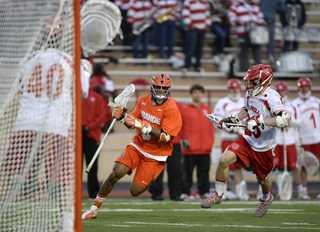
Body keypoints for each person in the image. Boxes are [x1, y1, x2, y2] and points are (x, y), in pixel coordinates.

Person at [0, 15, 89, 230]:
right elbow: (82, 93)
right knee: (63, 178)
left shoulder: (27, 59)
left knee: (6, 174)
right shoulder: (72, 62)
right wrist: (86, 69)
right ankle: (66, 222)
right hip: (56, 125)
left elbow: (19, 91)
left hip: (26, 121)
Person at [82, 73, 182, 219]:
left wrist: (143, 126)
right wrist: (123, 117)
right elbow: (133, 120)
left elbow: (165, 137)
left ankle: (150, 174)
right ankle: (94, 208)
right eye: (157, 87)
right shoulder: (144, 100)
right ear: (151, 87)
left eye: (163, 88)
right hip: (138, 145)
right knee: (115, 174)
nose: (160, 91)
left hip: (155, 154)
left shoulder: (172, 108)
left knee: (135, 191)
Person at [201, 64, 290, 218]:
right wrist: (232, 119)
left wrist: (261, 121)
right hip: (248, 138)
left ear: (264, 80)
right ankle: (218, 193)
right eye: (249, 81)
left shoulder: (272, 96)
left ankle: (266, 197)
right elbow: (247, 109)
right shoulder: (250, 94)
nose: (249, 84)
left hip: (264, 146)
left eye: (253, 81)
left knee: (262, 180)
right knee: (224, 159)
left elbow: (284, 119)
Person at [213, 78, 250, 201]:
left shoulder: (245, 101)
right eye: (232, 88)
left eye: (236, 88)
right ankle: (222, 192)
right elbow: (218, 121)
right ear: (228, 89)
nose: (234, 91)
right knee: (225, 164)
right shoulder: (222, 102)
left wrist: (245, 129)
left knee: (239, 166)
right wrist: (233, 129)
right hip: (227, 137)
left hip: (242, 138)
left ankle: (240, 192)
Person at [148, 99, 189, 201]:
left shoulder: (177, 104)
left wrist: (185, 137)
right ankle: (156, 193)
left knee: (175, 169)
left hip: (173, 141)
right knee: (156, 169)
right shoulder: (151, 104)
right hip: (158, 141)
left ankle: (175, 193)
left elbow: (183, 122)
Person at [180, 84, 214, 200]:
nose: (197, 94)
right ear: (191, 93)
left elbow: (211, 129)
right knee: (187, 172)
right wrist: (185, 140)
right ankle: (185, 192)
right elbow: (182, 126)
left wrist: (209, 143)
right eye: (195, 92)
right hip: (190, 148)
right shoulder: (185, 109)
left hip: (205, 147)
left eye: (199, 92)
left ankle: (204, 192)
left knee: (204, 172)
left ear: (202, 94)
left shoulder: (207, 109)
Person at [273, 81, 304, 198]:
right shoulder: (271, 105)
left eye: (282, 91)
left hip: (289, 140)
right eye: (278, 91)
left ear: (286, 91)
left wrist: (289, 120)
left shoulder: (293, 106)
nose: (281, 93)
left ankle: (301, 191)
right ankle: (264, 191)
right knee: (269, 167)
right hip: (276, 140)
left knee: (294, 166)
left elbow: (300, 122)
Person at [292, 77, 320, 199]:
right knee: (303, 166)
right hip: (304, 138)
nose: (304, 89)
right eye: (302, 87)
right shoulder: (295, 104)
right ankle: (303, 191)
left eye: (306, 87)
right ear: (298, 88)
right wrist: (297, 139)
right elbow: (294, 124)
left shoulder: (317, 101)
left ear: (310, 88)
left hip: (317, 137)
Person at [82, 86, 107, 199]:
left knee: (92, 166)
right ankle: (74, 192)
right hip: (77, 136)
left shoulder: (96, 97)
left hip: (92, 136)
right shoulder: (75, 95)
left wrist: (88, 127)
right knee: (75, 167)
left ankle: (93, 193)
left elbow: (101, 116)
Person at [227, 0, 266, 72]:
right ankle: (244, 71)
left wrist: (259, 23)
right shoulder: (237, 5)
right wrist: (238, 20)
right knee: (243, 52)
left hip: (255, 33)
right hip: (243, 33)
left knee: (257, 51)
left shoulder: (255, 6)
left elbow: (260, 18)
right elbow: (230, 17)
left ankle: (258, 72)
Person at [181, 0, 211, 73]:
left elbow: (207, 14)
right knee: (191, 48)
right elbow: (185, 14)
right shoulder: (188, 2)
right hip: (193, 29)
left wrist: (207, 24)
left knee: (199, 48)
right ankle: (187, 66)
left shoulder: (204, 2)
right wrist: (190, 24)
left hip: (202, 28)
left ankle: (197, 65)